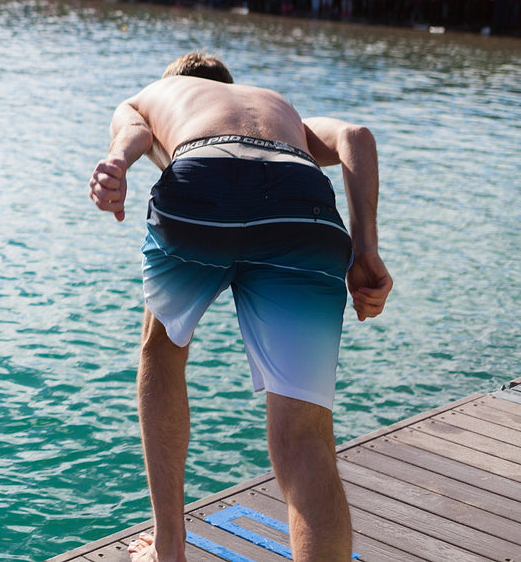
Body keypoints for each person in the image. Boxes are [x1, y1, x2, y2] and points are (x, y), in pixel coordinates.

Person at [87, 52, 393, 562]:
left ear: (178, 87)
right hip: (303, 205)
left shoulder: (157, 94)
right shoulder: (278, 109)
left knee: (161, 350)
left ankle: (169, 548)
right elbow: (355, 136)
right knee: (304, 437)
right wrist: (364, 251)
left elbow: (133, 132)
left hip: (202, 183)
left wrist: (117, 163)